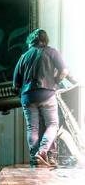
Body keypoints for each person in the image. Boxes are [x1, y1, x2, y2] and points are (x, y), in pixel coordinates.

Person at [13, 28, 69, 167]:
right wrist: (55, 81)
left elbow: (15, 85)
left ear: (31, 41)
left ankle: (34, 157)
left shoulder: (23, 57)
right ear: (45, 40)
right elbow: (64, 71)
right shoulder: (52, 52)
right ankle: (43, 152)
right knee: (52, 124)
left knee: (32, 128)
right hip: (47, 93)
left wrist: (23, 93)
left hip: (27, 96)